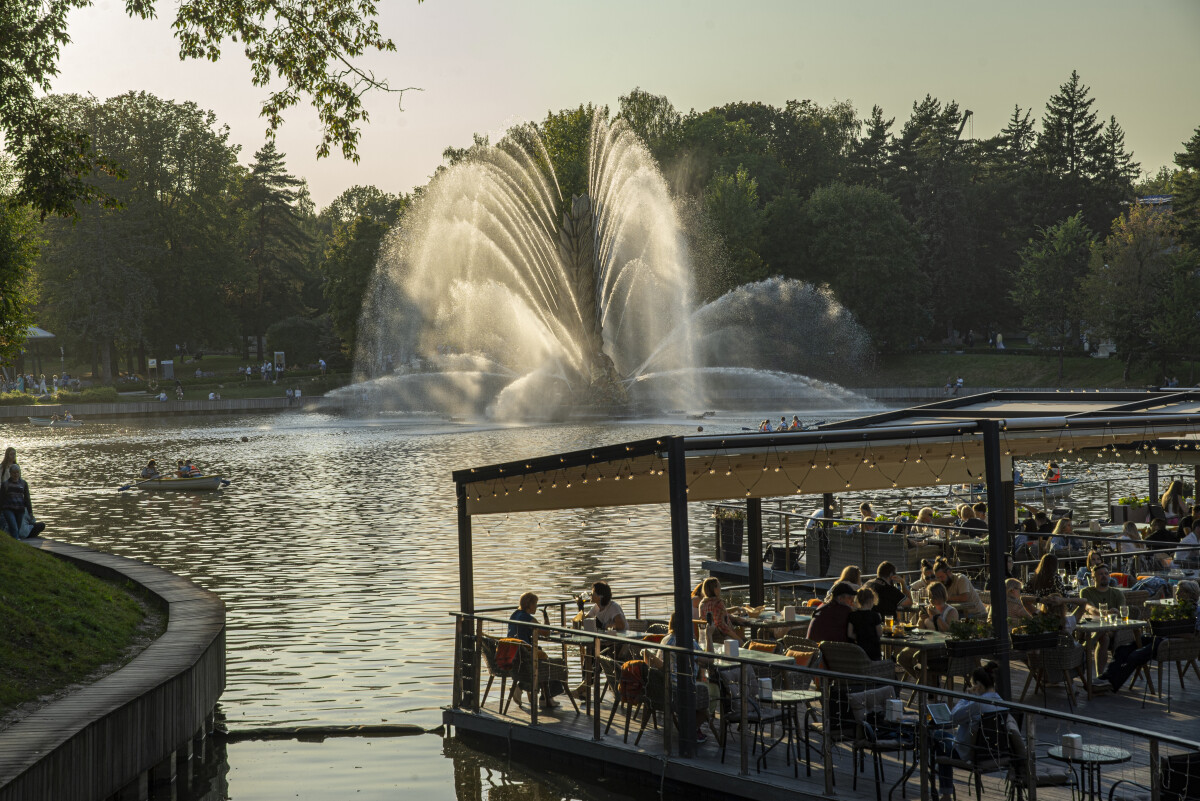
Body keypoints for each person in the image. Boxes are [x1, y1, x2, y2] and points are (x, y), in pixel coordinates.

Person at [933, 662, 1010, 801]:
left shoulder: (976, 704)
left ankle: (945, 792)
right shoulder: (1003, 703)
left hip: (969, 753)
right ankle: (944, 790)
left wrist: (966, 697)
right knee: (943, 739)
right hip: (995, 752)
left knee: (938, 737)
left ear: (978, 686)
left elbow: (953, 717)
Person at [647, 611, 715, 743]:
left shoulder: (666, 639)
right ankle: (692, 729)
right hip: (681, 692)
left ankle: (691, 726)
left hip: (664, 691)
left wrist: (696, 659)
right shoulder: (686, 642)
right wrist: (709, 634)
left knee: (702, 688)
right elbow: (710, 659)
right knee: (711, 696)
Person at [897, 582, 959, 682]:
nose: (931, 600)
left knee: (916, 657)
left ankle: (925, 683)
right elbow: (919, 629)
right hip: (924, 643)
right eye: (930, 597)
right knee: (902, 657)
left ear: (941, 596)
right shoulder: (928, 608)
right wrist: (921, 619)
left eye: (933, 597)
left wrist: (937, 617)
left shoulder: (951, 612)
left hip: (940, 647)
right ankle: (925, 682)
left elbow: (949, 632)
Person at [1080, 562, 1125, 672]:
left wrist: (1116, 612)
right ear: (1093, 577)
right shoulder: (1086, 592)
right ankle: (1100, 676)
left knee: (1104, 635)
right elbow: (1090, 608)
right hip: (1092, 627)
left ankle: (1087, 646)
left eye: (1106, 573)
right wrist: (1104, 613)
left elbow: (1122, 611)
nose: (1104, 576)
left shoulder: (1117, 593)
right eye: (1100, 574)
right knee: (1104, 637)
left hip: (1113, 628)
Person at [698, 577, 742, 644]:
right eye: (719, 586)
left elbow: (718, 615)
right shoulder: (718, 603)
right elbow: (721, 625)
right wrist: (738, 638)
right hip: (723, 639)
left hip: (708, 639)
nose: (720, 589)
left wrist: (734, 615)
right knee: (745, 642)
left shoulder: (702, 603)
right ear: (715, 589)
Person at [1, 465, 39, 539]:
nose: (16, 474)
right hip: (8, 509)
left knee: (17, 528)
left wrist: (30, 512)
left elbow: (27, 498)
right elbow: (1, 498)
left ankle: (13, 541)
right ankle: (17, 541)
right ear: (10, 473)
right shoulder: (5, 484)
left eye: (17, 472)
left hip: (20, 509)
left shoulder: (24, 483)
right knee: (14, 527)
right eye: (14, 473)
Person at [847, 586, 884, 660]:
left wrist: (861, 637)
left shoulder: (852, 615)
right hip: (874, 651)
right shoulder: (875, 615)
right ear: (871, 600)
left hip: (859, 650)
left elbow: (850, 634)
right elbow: (879, 633)